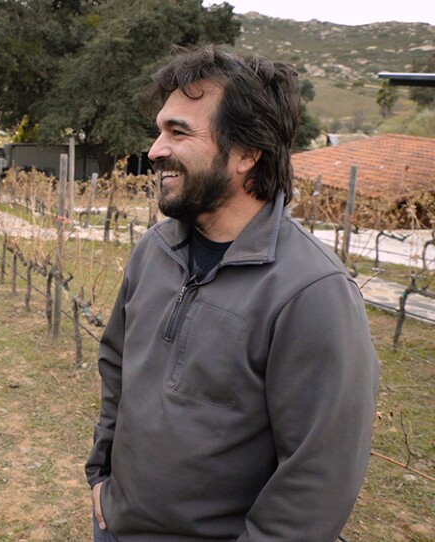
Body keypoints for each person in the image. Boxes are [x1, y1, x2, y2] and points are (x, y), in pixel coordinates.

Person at [86, 45, 379, 541]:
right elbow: (117, 366)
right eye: (160, 130)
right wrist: (101, 476)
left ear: (247, 153)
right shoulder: (155, 250)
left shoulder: (312, 292)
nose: (155, 150)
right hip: (115, 527)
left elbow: (317, 477)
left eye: (178, 132)